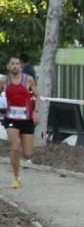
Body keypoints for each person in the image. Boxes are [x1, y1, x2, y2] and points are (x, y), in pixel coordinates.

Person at [3, 56, 39, 189]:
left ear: (21, 66)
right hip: (11, 118)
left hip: (27, 118)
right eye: (12, 63)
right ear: (8, 66)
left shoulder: (28, 80)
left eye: (17, 64)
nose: (15, 66)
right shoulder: (4, 81)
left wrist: (35, 111)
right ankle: (16, 177)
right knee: (15, 146)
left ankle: (17, 159)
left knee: (27, 153)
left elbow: (36, 95)